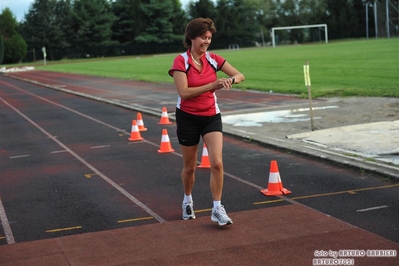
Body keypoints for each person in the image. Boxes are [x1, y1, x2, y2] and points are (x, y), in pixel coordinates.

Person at [168, 18, 245, 226]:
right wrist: (213, 85)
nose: (207, 41)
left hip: (211, 116)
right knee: (190, 166)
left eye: (209, 38)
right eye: (203, 37)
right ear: (192, 37)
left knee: (217, 163)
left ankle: (217, 208)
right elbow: (184, 93)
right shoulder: (180, 62)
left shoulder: (214, 59)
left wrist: (231, 80)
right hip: (188, 118)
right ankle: (187, 199)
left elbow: (240, 75)